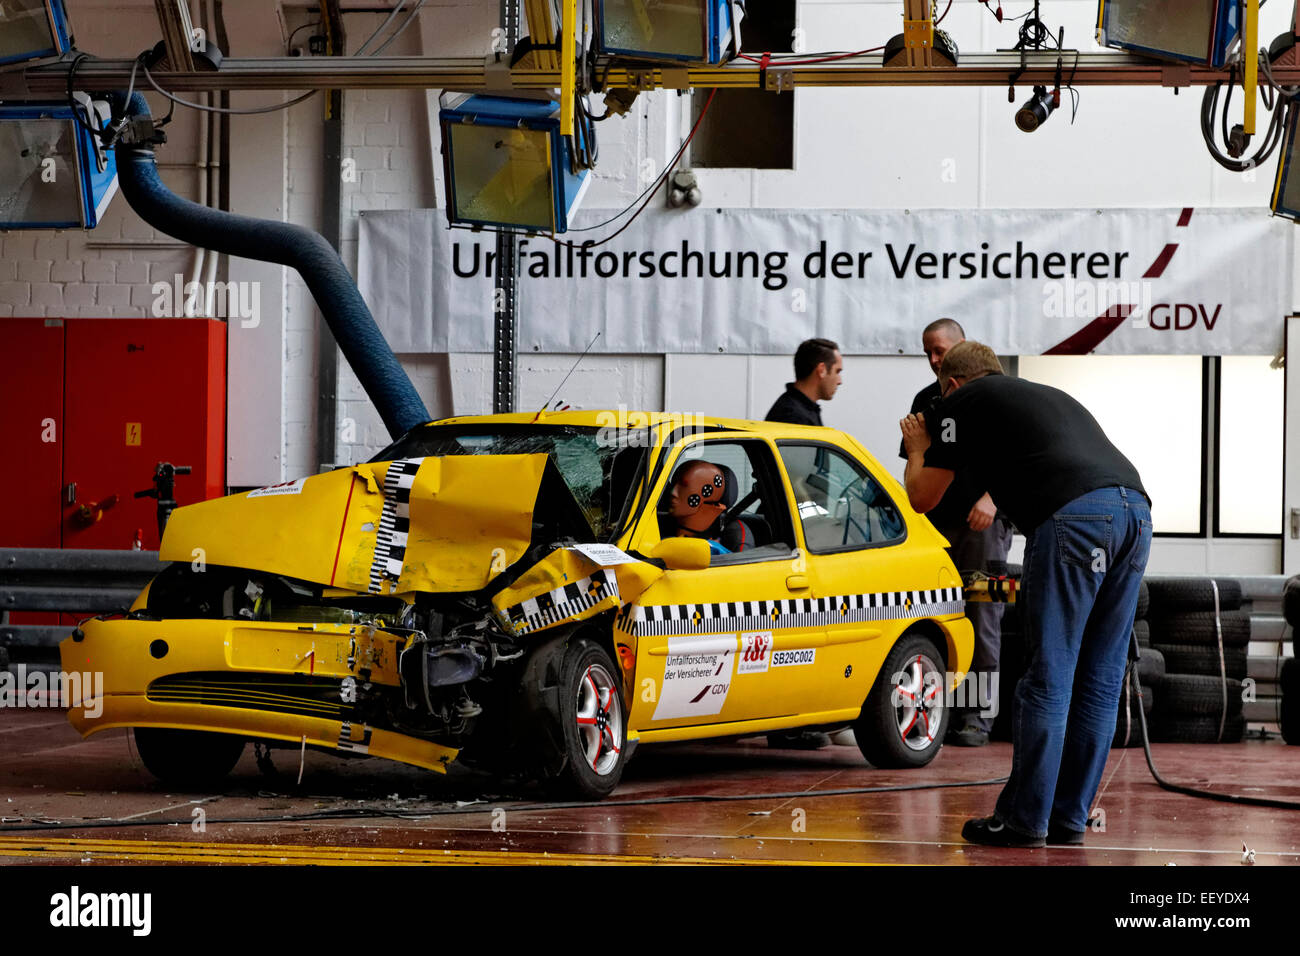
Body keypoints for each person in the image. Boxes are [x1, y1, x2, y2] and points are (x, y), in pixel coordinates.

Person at [899, 341, 1151, 849]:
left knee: (1049, 676)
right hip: (1136, 512)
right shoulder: (1038, 393)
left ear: (951, 384)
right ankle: (1067, 819)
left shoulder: (959, 403)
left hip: (1076, 518)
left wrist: (920, 445)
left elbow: (922, 496)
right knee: (1100, 680)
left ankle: (1024, 822)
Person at [899, 319, 1011, 747]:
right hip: (936, 532)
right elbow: (916, 461)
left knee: (985, 618)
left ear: (964, 347)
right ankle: (938, 710)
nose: (934, 359)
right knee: (935, 620)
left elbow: (1018, 457)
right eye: (927, 351)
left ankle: (979, 718)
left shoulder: (1001, 397)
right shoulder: (925, 401)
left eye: (941, 350)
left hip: (989, 530)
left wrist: (993, 499)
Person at [658, 460, 733, 555]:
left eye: (684, 486)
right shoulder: (655, 532)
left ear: (709, 497)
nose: (673, 492)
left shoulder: (714, 551)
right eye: (674, 484)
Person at [765, 338, 842, 426]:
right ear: (822, 370)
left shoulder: (803, 410)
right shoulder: (793, 417)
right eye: (837, 371)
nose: (840, 381)